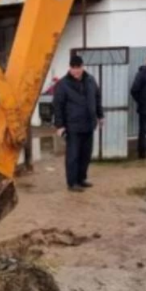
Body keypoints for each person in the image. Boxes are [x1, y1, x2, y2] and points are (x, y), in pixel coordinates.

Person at [54, 54, 104, 192]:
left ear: (83, 67)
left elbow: (97, 98)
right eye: (73, 68)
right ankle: (72, 182)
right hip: (73, 126)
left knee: (86, 155)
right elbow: (58, 106)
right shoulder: (63, 84)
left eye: (78, 67)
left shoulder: (90, 80)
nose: (76, 70)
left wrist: (100, 116)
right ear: (70, 68)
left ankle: (81, 179)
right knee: (73, 155)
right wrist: (59, 125)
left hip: (89, 124)